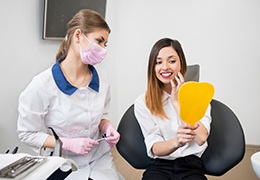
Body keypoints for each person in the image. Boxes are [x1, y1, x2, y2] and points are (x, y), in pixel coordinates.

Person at [17, 9, 121, 180]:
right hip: (61, 162)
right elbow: (26, 133)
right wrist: (67, 143)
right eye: (99, 41)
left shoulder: (102, 78)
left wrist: (107, 127)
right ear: (78, 36)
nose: (103, 49)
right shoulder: (42, 84)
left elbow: (101, 116)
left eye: (105, 44)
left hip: (98, 160)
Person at [134, 38, 211, 180]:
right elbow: (154, 147)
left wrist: (177, 102)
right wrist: (177, 142)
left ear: (181, 63)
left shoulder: (199, 96)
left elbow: (201, 138)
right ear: (153, 67)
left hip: (191, 164)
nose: (164, 67)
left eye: (171, 61)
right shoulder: (143, 102)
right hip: (159, 165)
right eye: (158, 62)